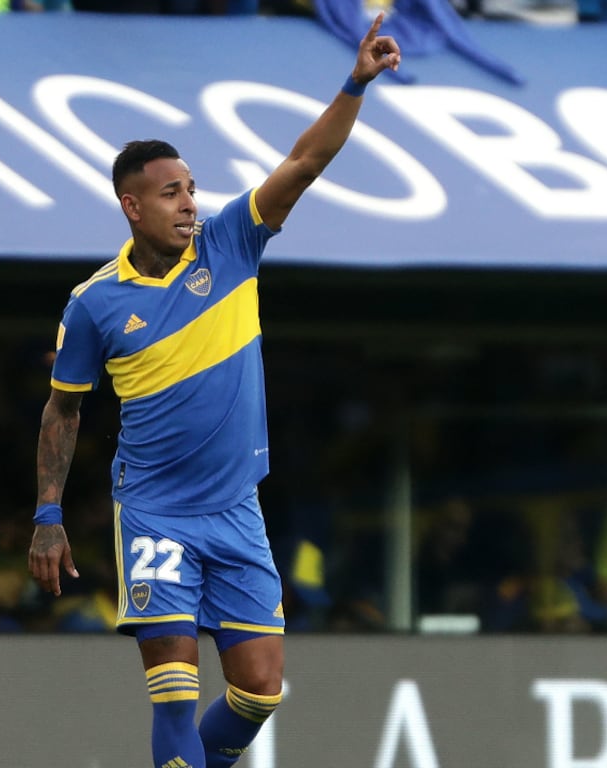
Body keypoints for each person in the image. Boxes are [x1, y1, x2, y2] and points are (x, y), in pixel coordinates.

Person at [27, 16, 401, 768]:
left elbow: (303, 162)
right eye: (171, 194)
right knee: (173, 690)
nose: (190, 203)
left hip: (236, 508)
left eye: (192, 189)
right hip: (156, 512)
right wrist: (47, 514)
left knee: (259, 691)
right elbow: (64, 407)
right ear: (133, 206)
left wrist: (354, 84)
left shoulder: (230, 243)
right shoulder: (96, 303)